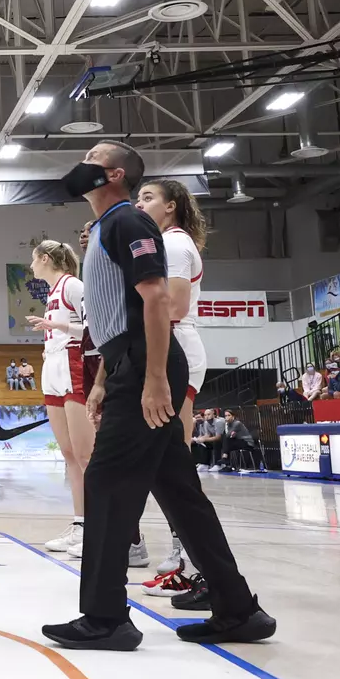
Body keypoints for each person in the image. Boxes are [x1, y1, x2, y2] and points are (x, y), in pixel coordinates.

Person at [40, 140, 273, 651]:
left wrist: (151, 379)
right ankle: (238, 609)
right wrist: (105, 377)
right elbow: (114, 312)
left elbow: (157, 298)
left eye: (91, 158)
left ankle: (105, 618)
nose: (80, 166)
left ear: (114, 175)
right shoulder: (105, 228)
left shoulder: (128, 222)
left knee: (104, 480)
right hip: (130, 361)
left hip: (148, 364)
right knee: (180, 494)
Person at [137, 177, 211, 576]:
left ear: (171, 206)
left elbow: (176, 305)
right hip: (168, 344)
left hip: (177, 345)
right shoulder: (163, 244)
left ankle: (190, 556)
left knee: (175, 461)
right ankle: (183, 551)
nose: (139, 203)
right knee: (166, 460)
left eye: (148, 197)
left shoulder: (175, 244)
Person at [27, 238, 99, 559]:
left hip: (73, 364)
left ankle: (100, 527)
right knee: (68, 453)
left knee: (86, 454)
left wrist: (53, 325)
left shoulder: (74, 286)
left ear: (45, 258)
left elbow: (91, 327)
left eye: (33, 259)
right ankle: (81, 524)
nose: (30, 265)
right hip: (52, 365)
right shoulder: (52, 293)